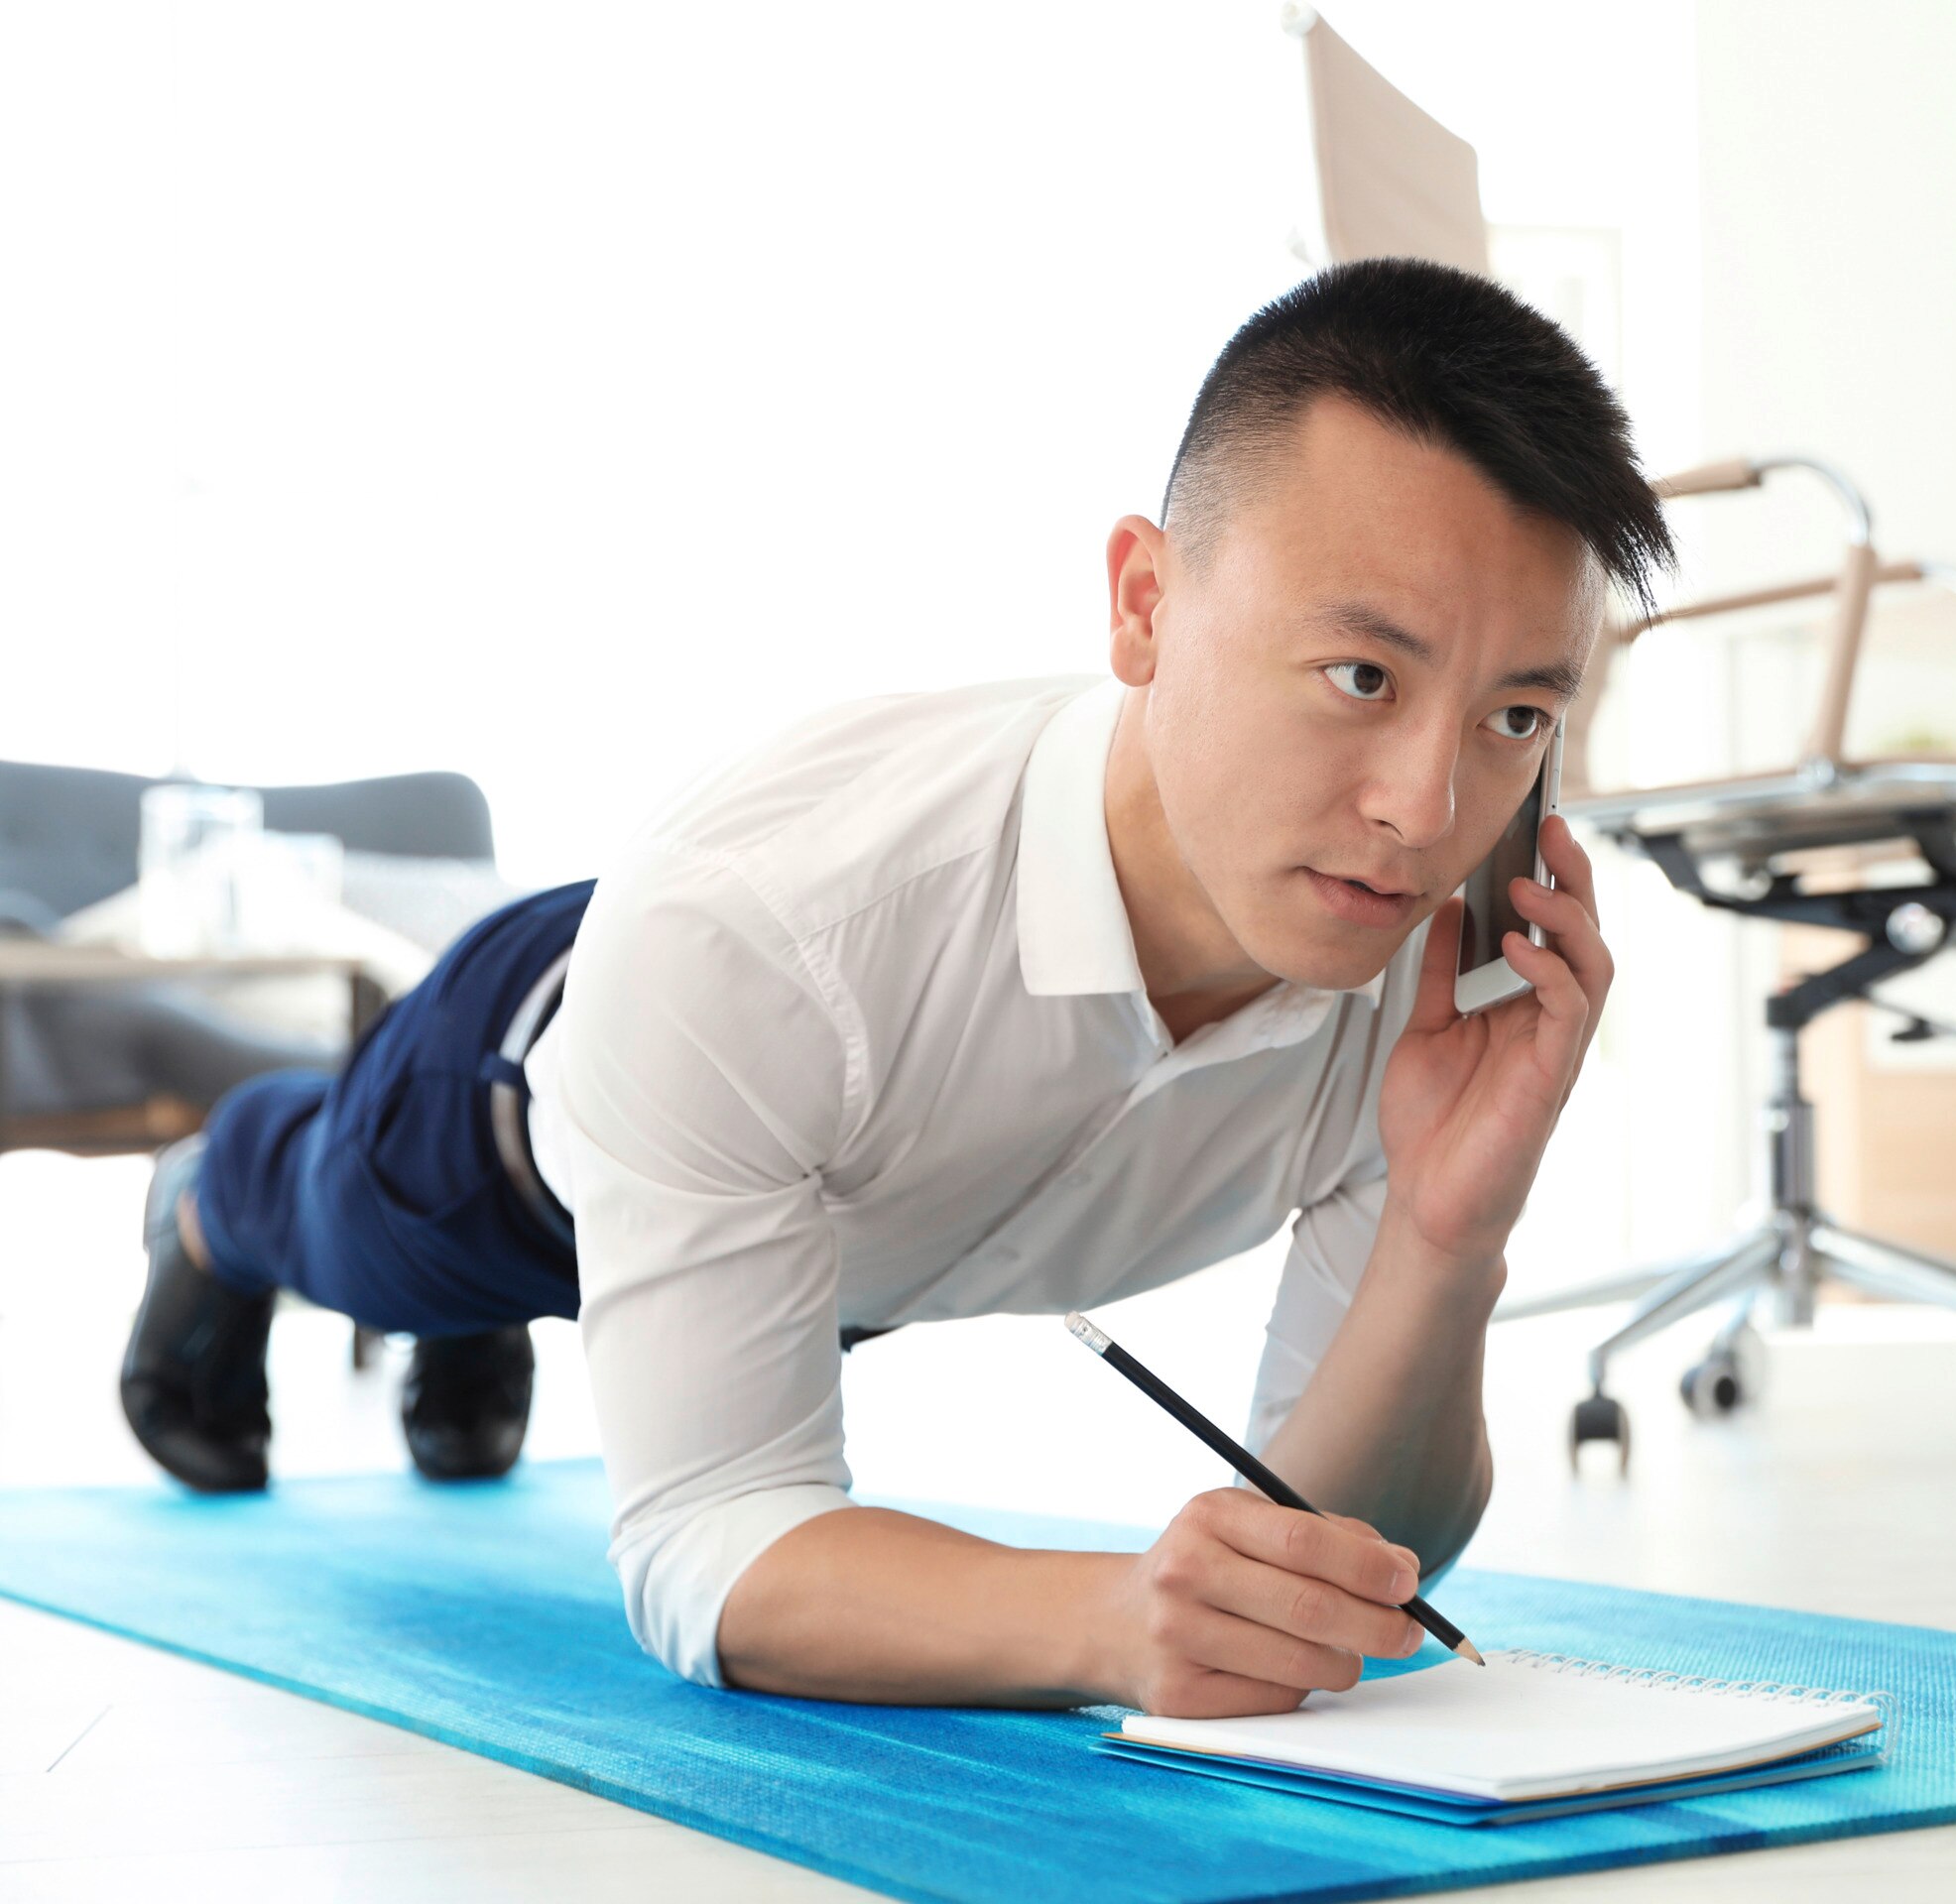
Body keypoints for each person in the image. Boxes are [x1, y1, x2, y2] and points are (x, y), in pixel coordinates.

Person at [115, 257, 1671, 1717]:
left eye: (1516, 716)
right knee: (337, 1217)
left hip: (809, 1194)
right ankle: (203, 1196)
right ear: (1143, 603)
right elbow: (707, 1537)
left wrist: (1447, 1232)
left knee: (666, 1268)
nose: (1425, 810)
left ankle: (547, 1308)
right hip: (528, 1097)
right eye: (1362, 678)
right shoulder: (757, 927)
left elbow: (1335, 1555)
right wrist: (1114, 1621)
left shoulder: (1433, 986)